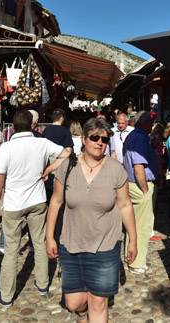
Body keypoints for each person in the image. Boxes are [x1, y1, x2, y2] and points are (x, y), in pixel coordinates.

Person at [45, 117, 137, 322]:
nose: (99, 143)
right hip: (71, 244)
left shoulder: (115, 169)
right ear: (84, 139)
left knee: (99, 302)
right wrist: (49, 236)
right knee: (74, 303)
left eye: (104, 140)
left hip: (105, 245)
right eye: (94, 137)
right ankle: (82, 315)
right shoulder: (67, 166)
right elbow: (56, 202)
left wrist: (133, 239)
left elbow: (125, 205)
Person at [0, 110, 69, 308]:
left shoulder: (7, 147)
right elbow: (66, 154)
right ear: (33, 126)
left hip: (14, 204)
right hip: (37, 201)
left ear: (13, 127)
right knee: (39, 243)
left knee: (11, 250)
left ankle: (6, 295)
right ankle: (42, 284)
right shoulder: (42, 143)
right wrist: (48, 169)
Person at [122, 111, 159, 274]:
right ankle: (137, 263)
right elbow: (138, 167)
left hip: (131, 184)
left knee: (132, 224)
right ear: (144, 123)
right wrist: (145, 189)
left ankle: (130, 256)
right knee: (142, 226)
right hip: (139, 185)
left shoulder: (132, 136)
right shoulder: (140, 137)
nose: (151, 125)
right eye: (150, 123)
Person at [42, 108, 74, 199]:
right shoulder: (65, 131)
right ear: (62, 118)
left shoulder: (45, 131)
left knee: (48, 192)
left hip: (47, 164)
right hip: (61, 164)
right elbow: (69, 151)